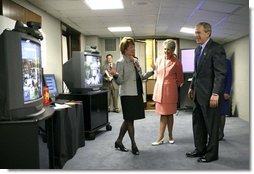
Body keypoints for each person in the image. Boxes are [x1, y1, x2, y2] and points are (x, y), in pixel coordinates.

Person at [186, 22, 227, 163]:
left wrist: (215, 93)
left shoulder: (217, 48)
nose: (196, 35)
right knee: (198, 124)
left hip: (210, 96)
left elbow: (220, 74)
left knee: (211, 126)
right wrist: (191, 87)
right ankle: (200, 149)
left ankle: (211, 154)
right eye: (195, 33)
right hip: (198, 94)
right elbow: (197, 72)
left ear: (208, 33)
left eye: (199, 32)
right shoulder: (198, 50)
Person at [109, 37, 154, 155]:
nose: (133, 49)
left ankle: (118, 141)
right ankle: (134, 145)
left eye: (133, 46)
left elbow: (142, 76)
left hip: (137, 93)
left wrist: (152, 71)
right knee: (130, 121)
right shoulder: (120, 62)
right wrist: (115, 75)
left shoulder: (135, 61)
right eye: (130, 47)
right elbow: (120, 81)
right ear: (124, 49)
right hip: (127, 95)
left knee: (129, 119)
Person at [151, 39, 184, 146]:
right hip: (159, 91)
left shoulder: (177, 62)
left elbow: (180, 79)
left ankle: (169, 135)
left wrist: (171, 85)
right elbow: (157, 74)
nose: (166, 52)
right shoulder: (159, 59)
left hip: (170, 92)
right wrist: (154, 69)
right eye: (164, 49)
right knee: (163, 115)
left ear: (173, 50)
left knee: (169, 115)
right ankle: (162, 137)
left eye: (168, 50)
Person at [219, 58, 232, 141]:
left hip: (223, 90)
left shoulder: (226, 62)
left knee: (222, 112)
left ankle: (221, 133)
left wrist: (227, 91)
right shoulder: (211, 60)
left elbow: (229, 77)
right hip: (212, 91)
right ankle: (215, 132)